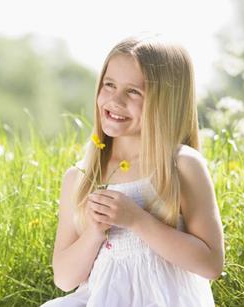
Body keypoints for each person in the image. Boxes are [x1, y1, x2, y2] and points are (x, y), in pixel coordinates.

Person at [41, 33, 224, 306]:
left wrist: (137, 220)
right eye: (109, 85)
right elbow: (65, 279)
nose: (115, 100)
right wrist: (93, 232)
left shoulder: (181, 165)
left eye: (133, 91)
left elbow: (211, 264)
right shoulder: (81, 178)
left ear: (165, 101)